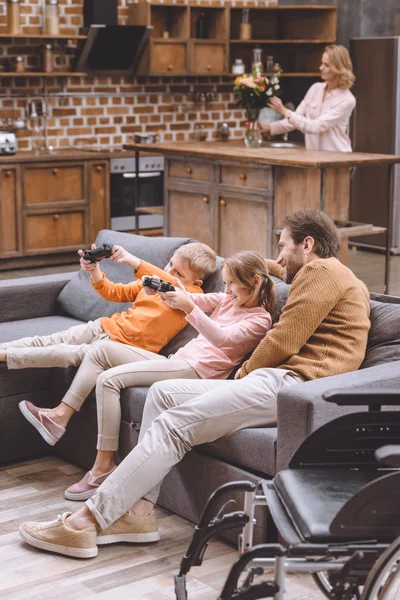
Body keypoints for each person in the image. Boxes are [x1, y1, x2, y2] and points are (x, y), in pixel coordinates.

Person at [19, 209, 371, 559]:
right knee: (162, 393)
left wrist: (242, 373)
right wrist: (258, 266)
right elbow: (276, 269)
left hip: (291, 383)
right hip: (281, 381)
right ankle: (139, 514)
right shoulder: (334, 275)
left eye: (282, 245)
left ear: (307, 244)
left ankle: (85, 522)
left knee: (174, 425)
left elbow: (284, 341)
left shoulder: (322, 271)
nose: (278, 256)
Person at [58, 251, 274, 500]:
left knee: (108, 379)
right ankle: (67, 422)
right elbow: (188, 297)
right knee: (102, 349)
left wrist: (189, 307)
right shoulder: (227, 300)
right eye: (224, 283)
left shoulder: (260, 320)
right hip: (177, 362)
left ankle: (102, 468)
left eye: (231, 284)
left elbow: (222, 339)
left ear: (255, 282)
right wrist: (163, 292)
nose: (226, 290)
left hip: (197, 373)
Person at [2, 242, 217, 445]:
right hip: (104, 327)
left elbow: (172, 286)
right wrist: (94, 270)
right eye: (170, 264)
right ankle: (4, 347)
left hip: (122, 348)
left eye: (178, 273)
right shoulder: (147, 283)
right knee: (49, 340)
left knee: (66, 353)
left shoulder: (191, 297)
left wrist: (133, 261)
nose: (169, 272)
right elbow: (112, 292)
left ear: (195, 283)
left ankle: (5, 357)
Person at [261, 45, 356, 152]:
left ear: (338, 69)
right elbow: (295, 119)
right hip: (314, 158)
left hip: (337, 160)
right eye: (322, 63)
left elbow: (316, 127)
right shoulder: (315, 89)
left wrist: (285, 111)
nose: (320, 68)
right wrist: (267, 128)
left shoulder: (347, 100)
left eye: (326, 65)